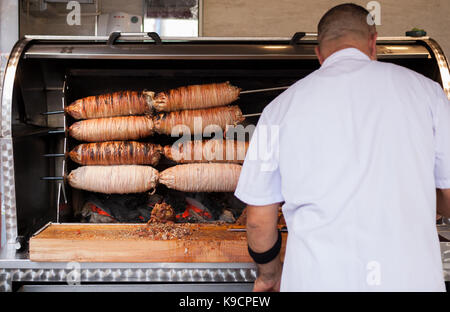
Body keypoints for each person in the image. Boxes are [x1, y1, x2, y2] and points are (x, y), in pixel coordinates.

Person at [234, 3, 450, 292]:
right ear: (373, 42)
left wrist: (269, 274)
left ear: (319, 54)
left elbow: (259, 222)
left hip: (317, 281)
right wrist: (417, 198)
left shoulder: (278, 110)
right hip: (410, 280)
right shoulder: (429, 94)